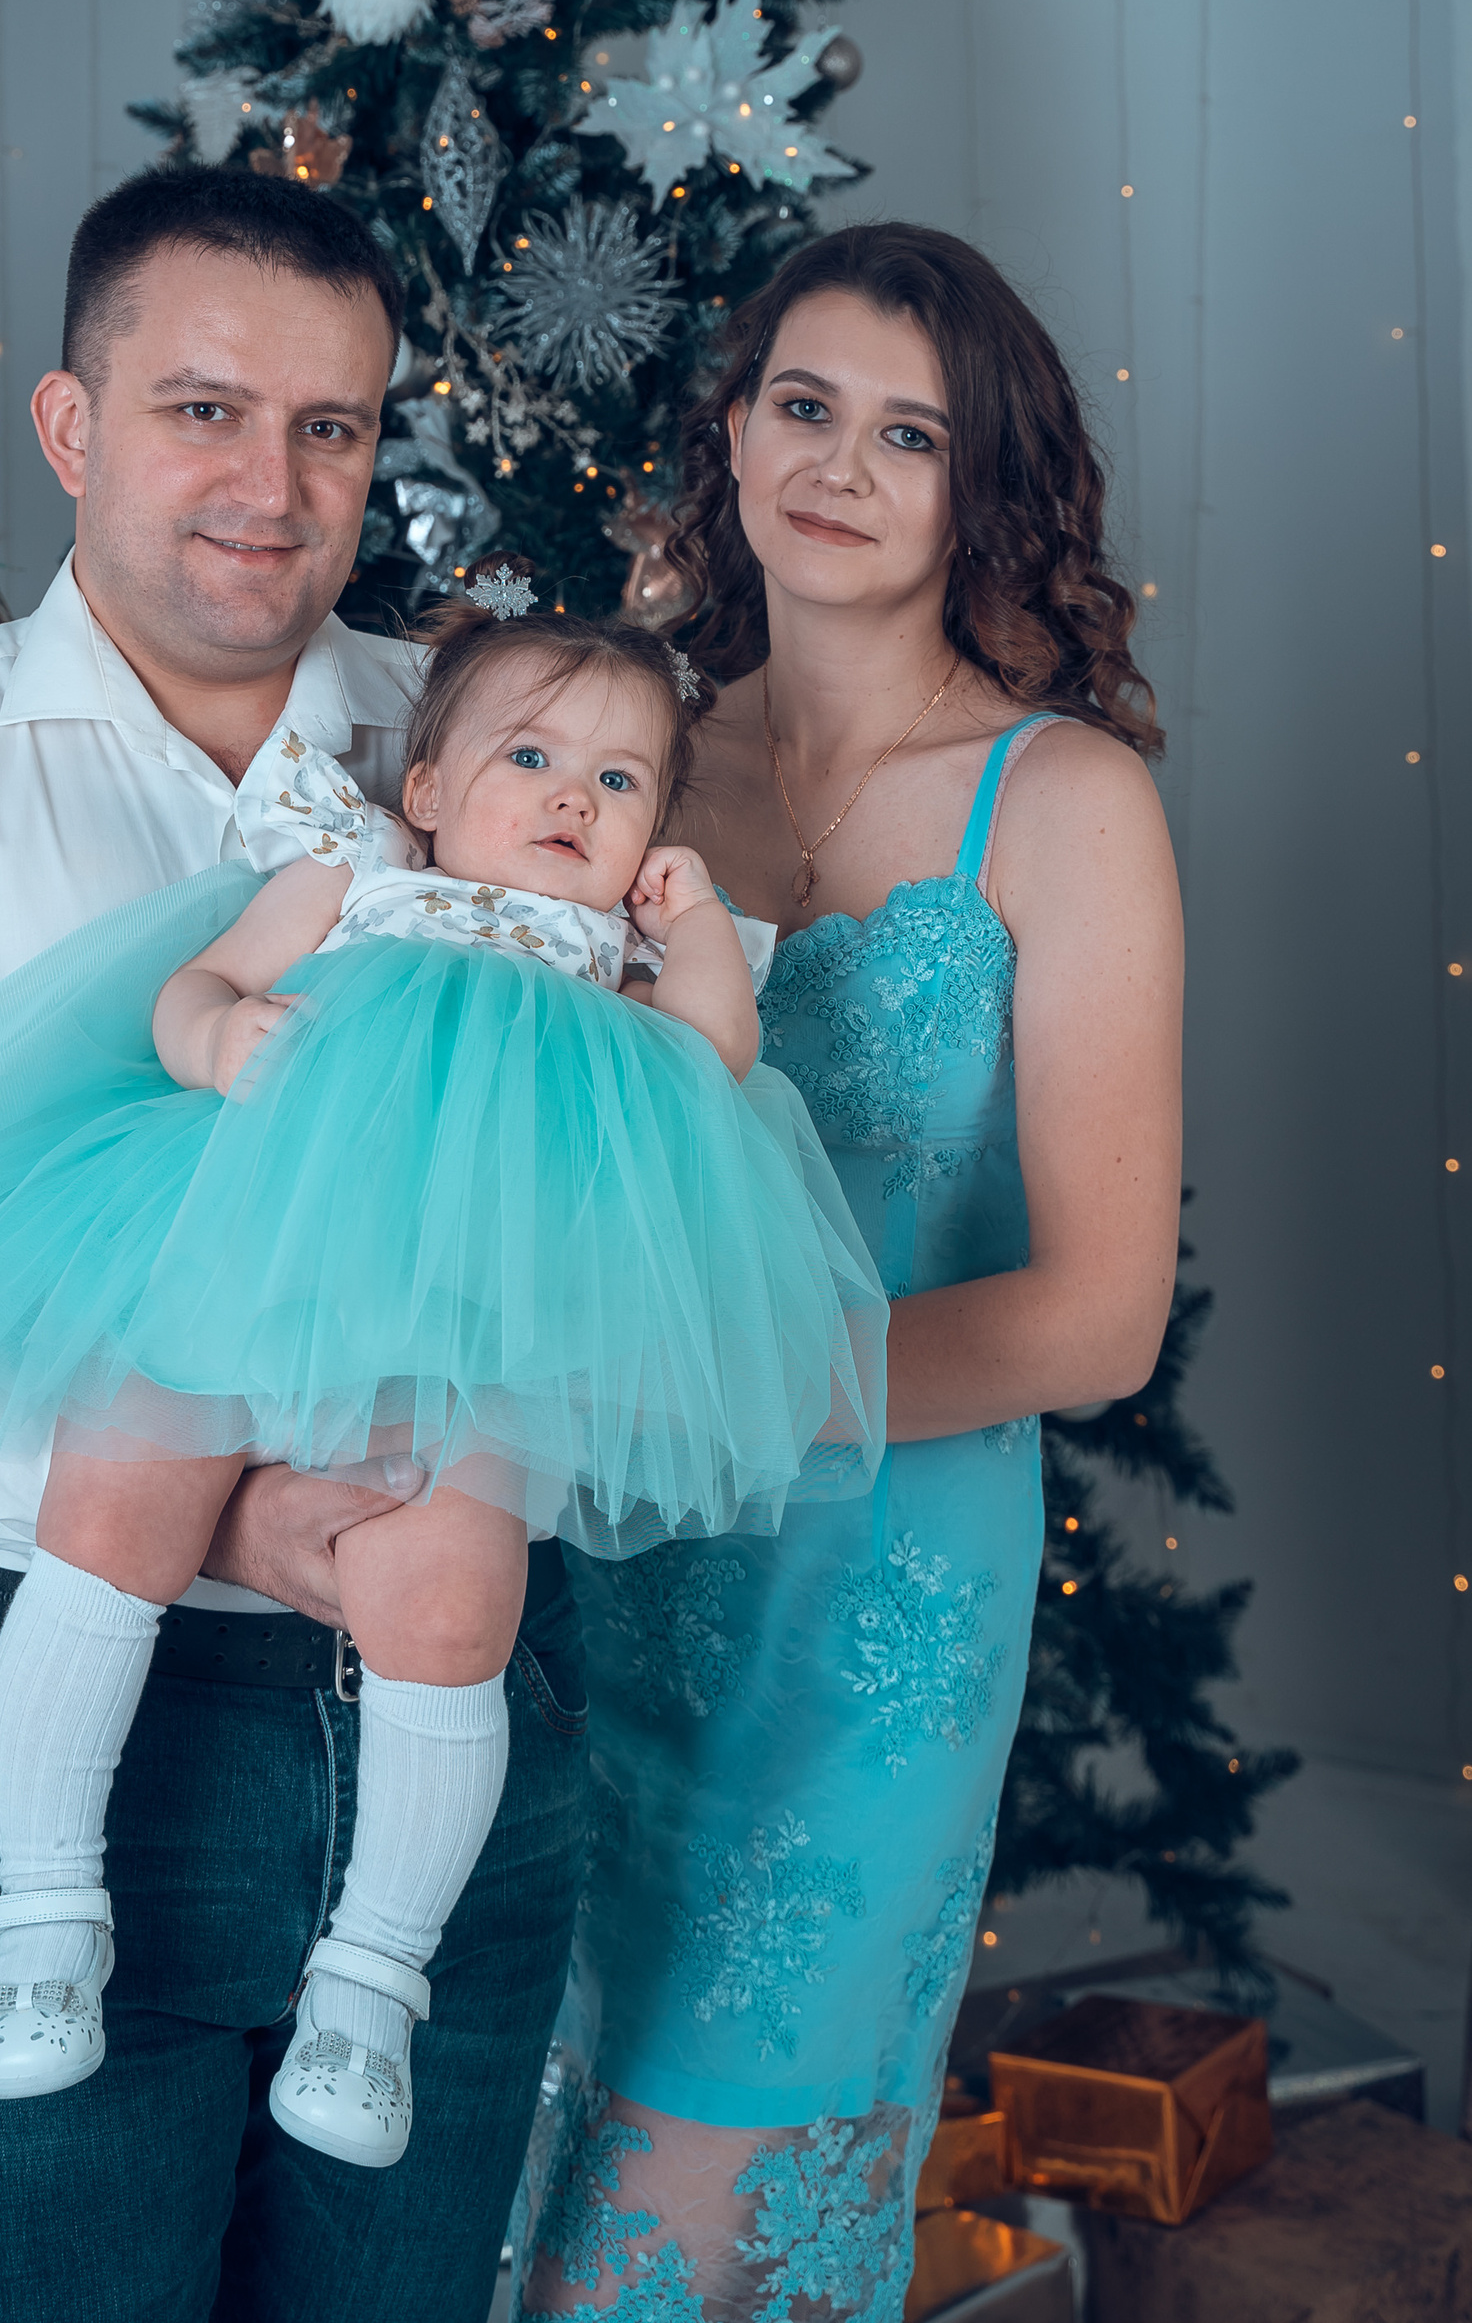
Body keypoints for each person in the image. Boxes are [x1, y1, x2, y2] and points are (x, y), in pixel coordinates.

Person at [0, 166, 587, 2323]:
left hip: (448, 1699)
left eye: (333, 427)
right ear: (72, 425)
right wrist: (197, 1511)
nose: (274, 485)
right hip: (23, 1702)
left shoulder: (497, 747)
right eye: (204, 411)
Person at [0, 596, 887, 2156]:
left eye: (621, 781)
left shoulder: (619, 963)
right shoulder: (359, 871)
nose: (573, 799)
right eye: (530, 758)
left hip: (475, 1334)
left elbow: (717, 1056)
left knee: (452, 1606)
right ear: (425, 788)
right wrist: (217, 1040)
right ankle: (42, 1914)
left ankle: (371, 1986)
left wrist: (696, 917)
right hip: (243, 1256)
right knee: (111, 1507)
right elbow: (191, 987)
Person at [516, 223, 1184, 2321]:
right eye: (805, 407)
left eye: (912, 435)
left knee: (668, 2258)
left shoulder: (1062, 805)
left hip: (870, 1617)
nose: (839, 466)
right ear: (731, 434)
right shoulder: (611, 758)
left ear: (983, 490)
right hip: (572, 1570)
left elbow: (1099, 1315)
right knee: (506, 2180)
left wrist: (725, 1385)